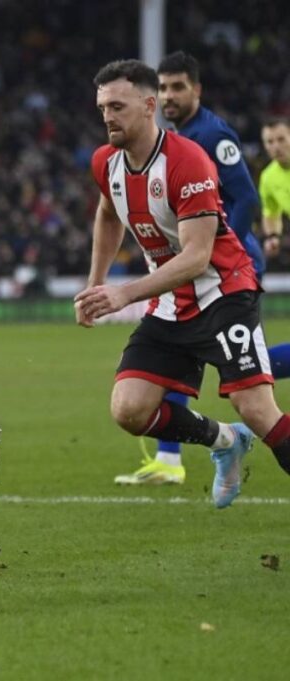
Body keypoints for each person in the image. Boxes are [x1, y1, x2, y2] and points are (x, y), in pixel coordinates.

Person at [77, 59, 290, 509]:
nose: (107, 117)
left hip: (224, 292)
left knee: (257, 409)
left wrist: (123, 292)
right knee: (129, 410)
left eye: (117, 106)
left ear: (149, 105)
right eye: (102, 108)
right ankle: (225, 442)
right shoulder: (106, 163)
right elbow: (108, 213)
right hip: (172, 301)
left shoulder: (188, 161)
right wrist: (96, 285)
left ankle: (243, 428)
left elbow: (197, 257)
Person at [260, 118, 290, 261]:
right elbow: (271, 212)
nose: (276, 147)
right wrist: (273, 236)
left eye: (281, 139)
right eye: (270, 142)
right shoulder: (268, 177)